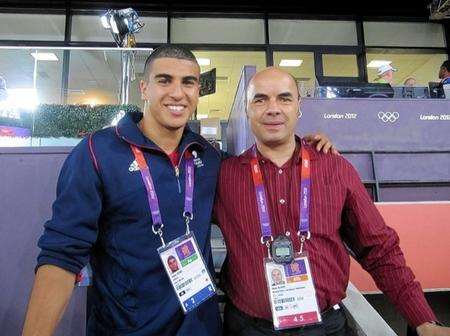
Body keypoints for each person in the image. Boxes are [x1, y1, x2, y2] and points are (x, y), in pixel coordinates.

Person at [22, 45, 334, 336]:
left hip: (201, 327)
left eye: (188, 82)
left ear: (198, 91)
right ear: (144, 88)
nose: (177, 93)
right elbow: (61, 255)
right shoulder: (96, 153)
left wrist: (300, 149)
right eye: (164, 80)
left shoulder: (209, 158)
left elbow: (261, 173)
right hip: (126, 328)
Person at [215, 67, 450, 336]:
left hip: (325, 327)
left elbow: (379, 249)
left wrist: (423, 321)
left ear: (298, 106)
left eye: (284, 98)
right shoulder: (224, 176)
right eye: (260, 99)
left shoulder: (335, 169)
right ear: (246, 109)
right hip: (249, 329)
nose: (273, 108)